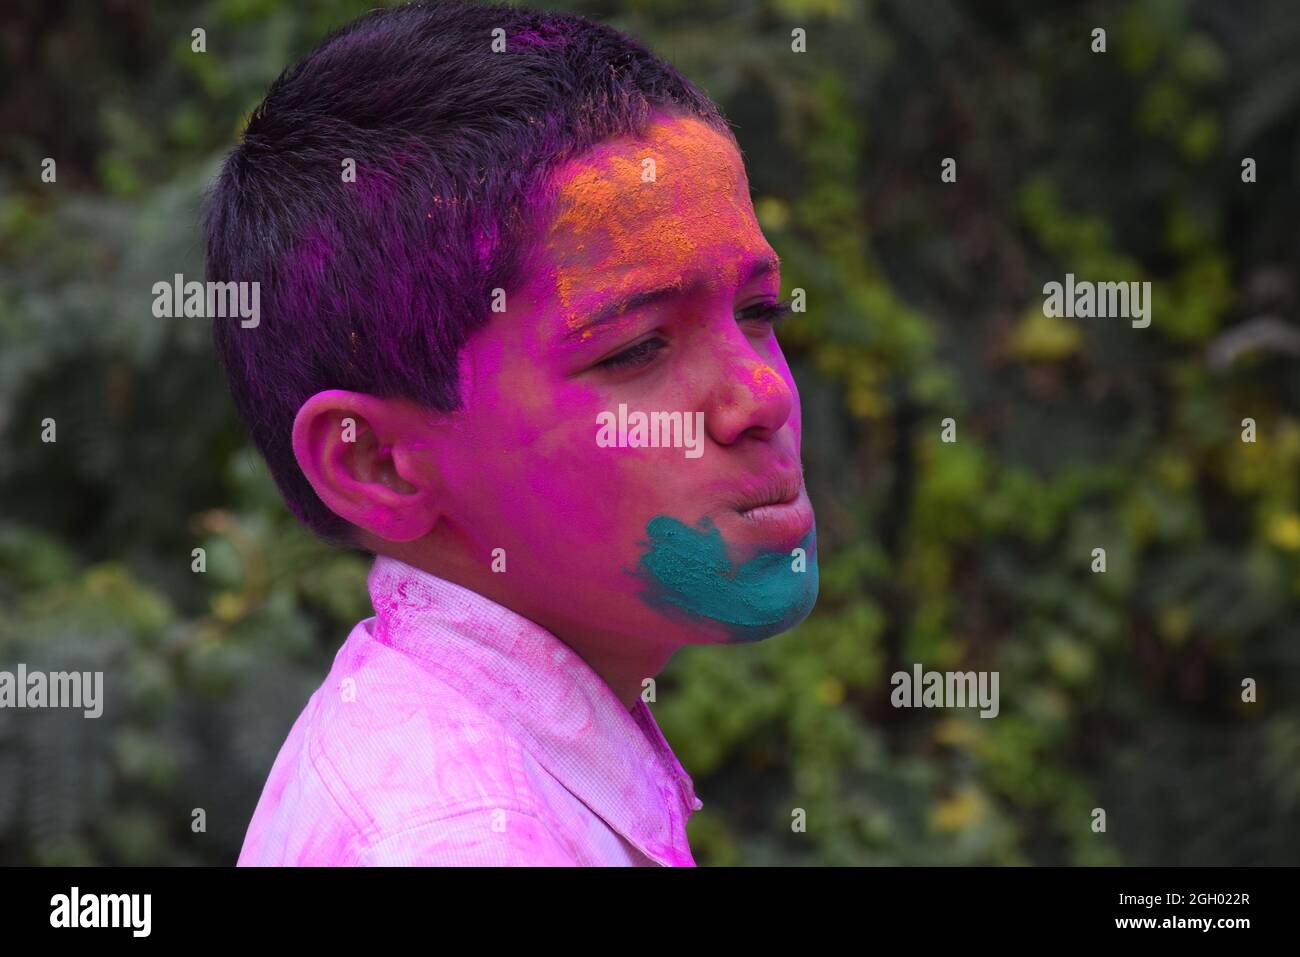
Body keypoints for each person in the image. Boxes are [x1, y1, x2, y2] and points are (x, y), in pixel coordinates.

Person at [206, 0, 819, 866]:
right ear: (377, 463)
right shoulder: (465, 840)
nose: (762, 395)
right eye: (640, 346)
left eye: (760, 310)